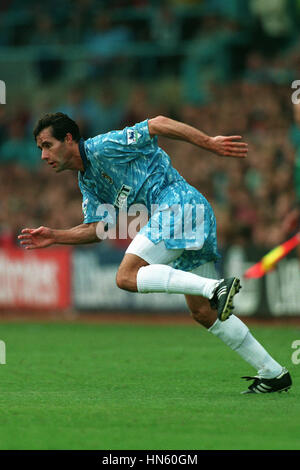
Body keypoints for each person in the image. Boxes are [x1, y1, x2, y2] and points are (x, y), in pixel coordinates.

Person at [19, 112, 292, 394]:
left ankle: (214, 287)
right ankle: (272, 372)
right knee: (202, 312)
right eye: (40, 148)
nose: (43, 155)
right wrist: (55, 236)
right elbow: (99, 228)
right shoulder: (87, 182)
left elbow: (157, 123)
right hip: (191, 214)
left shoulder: (102, 146)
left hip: (178, 204)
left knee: (126, 276)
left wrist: (209, 142)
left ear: (68, 139)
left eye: (47, 145)